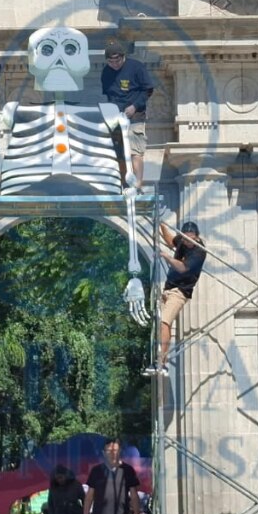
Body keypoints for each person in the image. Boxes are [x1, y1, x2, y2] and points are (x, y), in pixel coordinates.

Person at [145, 220, 206, 375]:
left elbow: (183, 268)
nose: (187, 242)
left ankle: (160, 362)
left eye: (190, 239)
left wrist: (167, 257)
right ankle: (161, 362)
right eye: (185, 239)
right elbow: (171, 240)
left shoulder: (199, 251)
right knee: (163, 325)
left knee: (164, 322)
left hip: (180, 292)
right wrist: (161, 226)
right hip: (169, 289)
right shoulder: (183, 241)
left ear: (197, 238)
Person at [100, 39, 154, 188]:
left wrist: (135, 106)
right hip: (115, 117)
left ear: (123, 56)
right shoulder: (106, 72)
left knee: (135, 151)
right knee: (119, 152)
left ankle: (138, 183)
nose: (115, 64)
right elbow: (109, 95)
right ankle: (123, 184)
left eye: (117, 60)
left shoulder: (136, 67)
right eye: (111, 61)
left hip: (135, 116)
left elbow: (147, 90)